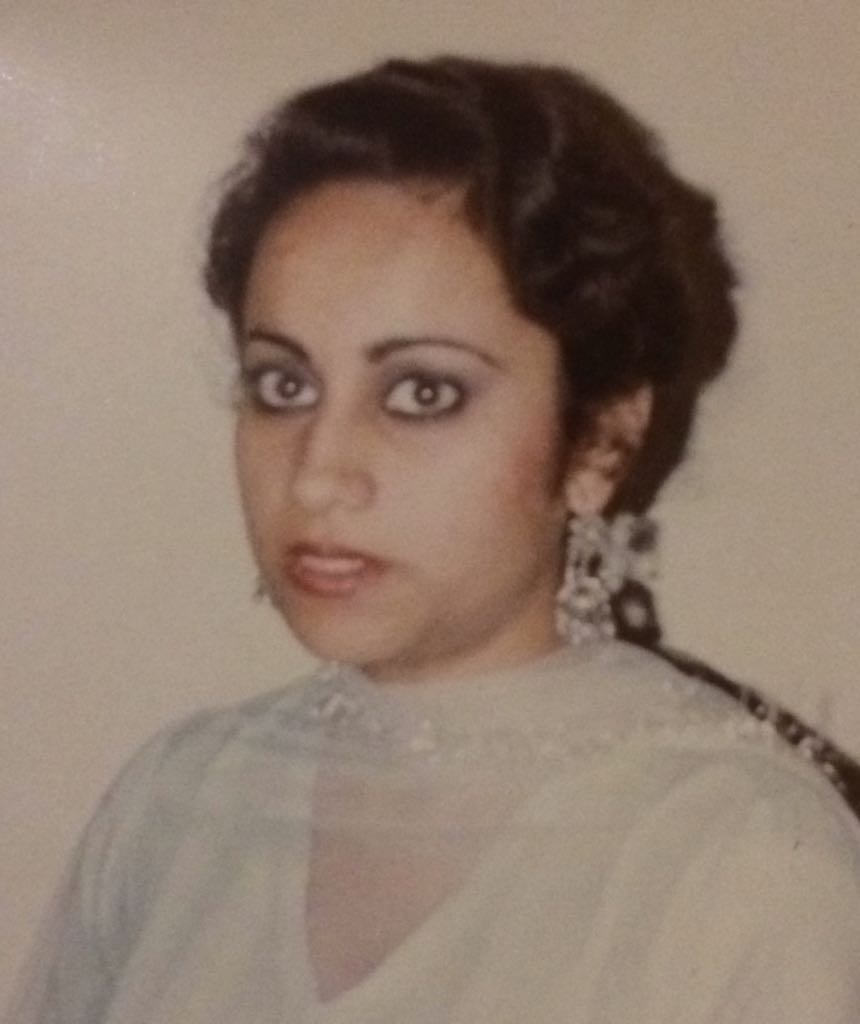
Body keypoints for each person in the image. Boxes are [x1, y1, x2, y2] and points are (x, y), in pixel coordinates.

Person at [7, 56, 860, 1023]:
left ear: (599, 442)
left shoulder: (737, 854)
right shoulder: (178, 805)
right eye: (284, 384)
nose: (317, 474)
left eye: (422, 392)